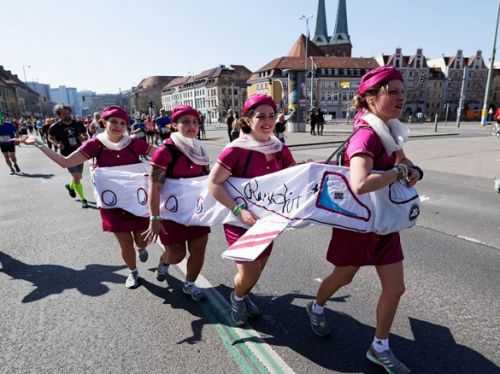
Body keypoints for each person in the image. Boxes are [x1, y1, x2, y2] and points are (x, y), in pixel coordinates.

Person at [306, 66, 422, 374]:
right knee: (343, 277)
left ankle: (379, 346)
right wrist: (397, 174)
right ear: (370, 99)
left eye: (402, 91)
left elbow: (404, 163)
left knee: (395, 288)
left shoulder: (390, 132)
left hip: (384, 223)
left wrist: (413, 171)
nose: (400, 97)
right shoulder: (366, 136)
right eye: (392, 92)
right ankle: (316, 305)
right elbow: (359, 183)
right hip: (357, 225)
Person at [24, 106, 155, 288]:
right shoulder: (95, 145)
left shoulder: (134, 143)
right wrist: (39, 143)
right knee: (125, 243)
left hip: (138, 202)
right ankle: (133, 273)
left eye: (122, 123)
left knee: (141, 240)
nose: (118, 126)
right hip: (112, 205)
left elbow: (162, 156)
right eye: (113, 122)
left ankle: (141, 247)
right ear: (104, 123)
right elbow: (65, 162)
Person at [208, 94, 296, 326]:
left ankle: (244, 295)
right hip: (239, 221)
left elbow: (295, 179)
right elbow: (214, 184)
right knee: (249, 270)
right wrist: (239, 211)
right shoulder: (235, 150)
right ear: (247, 120)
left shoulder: (280, 149)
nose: (267, 121)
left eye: (271, 116)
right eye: (260, 117)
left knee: (258, 269)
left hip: (268, 222)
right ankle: (236, 299)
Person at [144, 105, 210, 301]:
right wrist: (154, 217)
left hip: (197, 212)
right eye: (185, 122)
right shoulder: (165, 151)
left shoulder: (200, 150)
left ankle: (189, 284)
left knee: (199, 248)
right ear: (174, 125)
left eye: (195, 122)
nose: (191, 126)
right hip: (171, 214)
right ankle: (164, 261)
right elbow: (154, 186)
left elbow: (206, 180)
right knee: (177, 254)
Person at [49, 104, 89, 208]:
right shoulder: (55, 127)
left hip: (80, 152)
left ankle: (70, 186)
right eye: (63, 113)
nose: (67, 114)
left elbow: (85, 134)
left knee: (78, 177)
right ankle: (83, 199)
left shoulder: (78, 124)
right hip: (67, 154)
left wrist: (83, 137)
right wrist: (57, 144)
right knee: (77, 177)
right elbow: (50, 137)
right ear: (59, 115)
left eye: (68, 112)